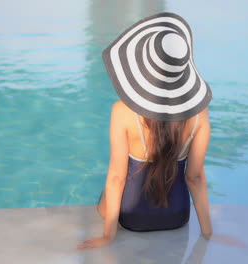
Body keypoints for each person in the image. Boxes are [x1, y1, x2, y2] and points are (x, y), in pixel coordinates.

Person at [77, 12, 213, 250]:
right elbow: (195, 177)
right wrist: (208, 232)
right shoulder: (199, 115)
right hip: (177, 216)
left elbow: (117, 178)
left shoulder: (122, 111)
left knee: (104, 195)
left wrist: (108, 235)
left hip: (133, 217)